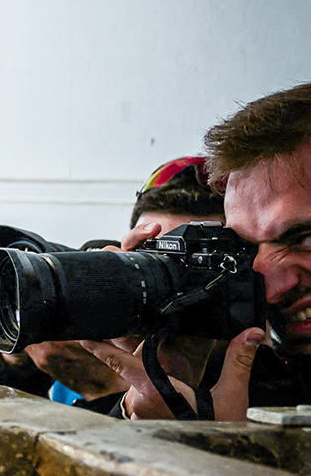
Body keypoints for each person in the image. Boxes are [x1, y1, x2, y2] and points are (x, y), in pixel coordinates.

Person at [77, 84, 311, 421]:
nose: (270, 290)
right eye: (244, 250)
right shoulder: (267, 387)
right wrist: (152, 402)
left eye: (304, 238)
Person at [0, 155, 226, 405]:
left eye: (186, 263)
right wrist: (17, 361)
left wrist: (113, 391)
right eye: (149, 253)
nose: (161, 276)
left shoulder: (248, 375)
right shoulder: (102, 311)